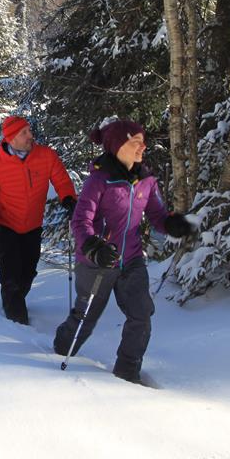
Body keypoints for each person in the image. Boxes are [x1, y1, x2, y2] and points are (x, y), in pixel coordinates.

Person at [53, 119, 195, 383]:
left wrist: (171, 224)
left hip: (130, 259)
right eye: (135, 142)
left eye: (143, 141)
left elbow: (157, 215)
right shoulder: (99, 180)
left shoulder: (146, 180)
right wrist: (93, 246)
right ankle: (59, 351)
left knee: (141, 314)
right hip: (98, 261)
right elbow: (81, 220)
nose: (143, 147)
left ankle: (127, 373)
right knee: (86, 318)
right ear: (117, 146)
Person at [0, 115, 76, 325]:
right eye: (25, 132)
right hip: (5, 227)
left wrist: (68, 198)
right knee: (11, 274)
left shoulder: (46, 156)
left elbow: (61, 179)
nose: (31, 135)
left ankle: (14, 298)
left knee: (28, 272)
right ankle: (16, 320)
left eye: (29, 130)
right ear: (12, 138)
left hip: (32, 226)